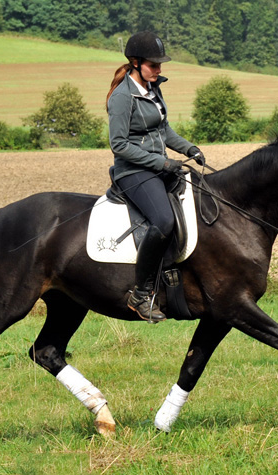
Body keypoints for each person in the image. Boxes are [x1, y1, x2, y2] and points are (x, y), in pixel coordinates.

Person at [106, 31, 205, 322]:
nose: (159, 70)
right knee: (163, 220)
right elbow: (119, 145)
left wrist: (189, 148)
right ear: (135, 63)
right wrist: (162, 163)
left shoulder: (153, 88)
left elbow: (164, 131)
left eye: (160, 65)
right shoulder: (123, 97)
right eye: (154, 64)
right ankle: (141, 294)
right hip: (134, 172)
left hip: (157, 167)